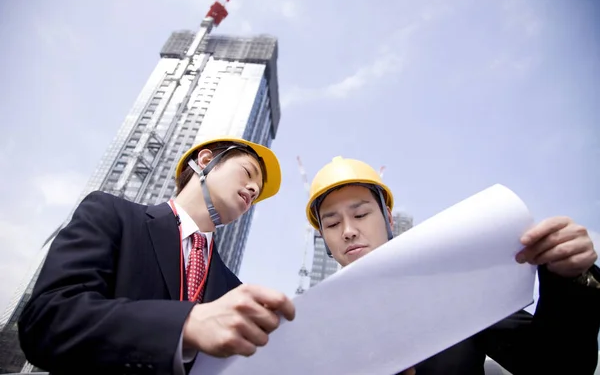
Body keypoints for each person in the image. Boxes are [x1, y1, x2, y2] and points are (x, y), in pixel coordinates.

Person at [18, 136, 296, 375]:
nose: (253, 189)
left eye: (257, 192)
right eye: (248, 173)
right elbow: (46, 321)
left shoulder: (234, 289)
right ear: (205, 159)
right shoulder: (112, 215)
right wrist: (185, 324)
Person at [305, 156, 600, 375]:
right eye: (331, 223)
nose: (347, 231)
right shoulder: (309, 330)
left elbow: (558, 367)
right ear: (325, 239)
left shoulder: (454, 294)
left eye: (360, 215)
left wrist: (570, 280)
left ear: (389, 220)